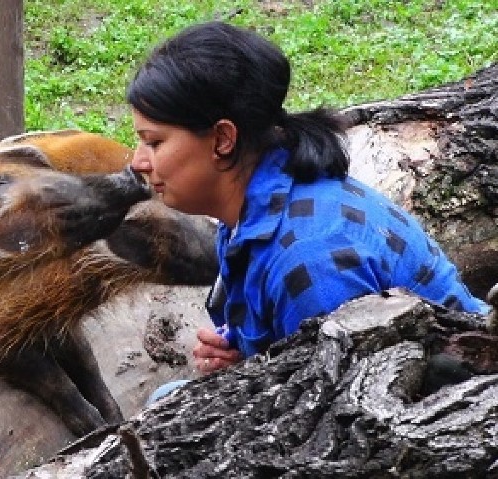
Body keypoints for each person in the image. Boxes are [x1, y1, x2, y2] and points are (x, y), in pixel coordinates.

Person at [126, 20, 490, 386]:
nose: (138, 162)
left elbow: (345, 413)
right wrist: (249, 356)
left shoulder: (310, 262)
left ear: (222, 139)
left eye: (154, 143)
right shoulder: (258, 204)